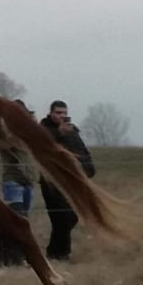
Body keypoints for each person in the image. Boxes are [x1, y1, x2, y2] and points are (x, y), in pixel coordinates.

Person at [39, 100, 95, 261]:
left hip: (71, 181)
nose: (62, 116)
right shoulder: (44, 129)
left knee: (67, 218)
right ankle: (59, 253)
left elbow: (82, 151)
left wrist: (88, 170)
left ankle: (58, 253)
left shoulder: (72, 132)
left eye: (64, 113)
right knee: (63, 217)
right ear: (51, 113)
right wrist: (59, 134)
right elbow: (45, 147)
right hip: (51, 181)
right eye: (58, 113)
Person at [0, 100, 39, 266]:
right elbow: (8, 145)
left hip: (28, 181)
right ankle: (14, 256)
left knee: (24, 219)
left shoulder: (29, 132)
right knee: (17, 218)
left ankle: (21, 255)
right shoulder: (2, 132)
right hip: (12, 180)